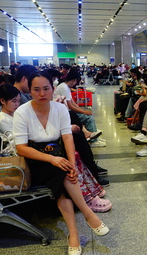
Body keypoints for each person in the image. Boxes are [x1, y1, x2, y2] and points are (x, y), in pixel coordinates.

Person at [13, 72, 109, 254]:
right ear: (30, 91)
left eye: (46, 89)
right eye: (36, 89)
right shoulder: (22, 112)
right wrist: (53, 159)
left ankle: (73, 234)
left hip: (59, 157)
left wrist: (72, 164)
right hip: (36, 160)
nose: (42, 93)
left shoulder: (60, 109)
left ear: (52, 89)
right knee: (61, 171)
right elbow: (22, 148)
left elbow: (67, 138)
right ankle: (88, 214)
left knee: (64, 175)